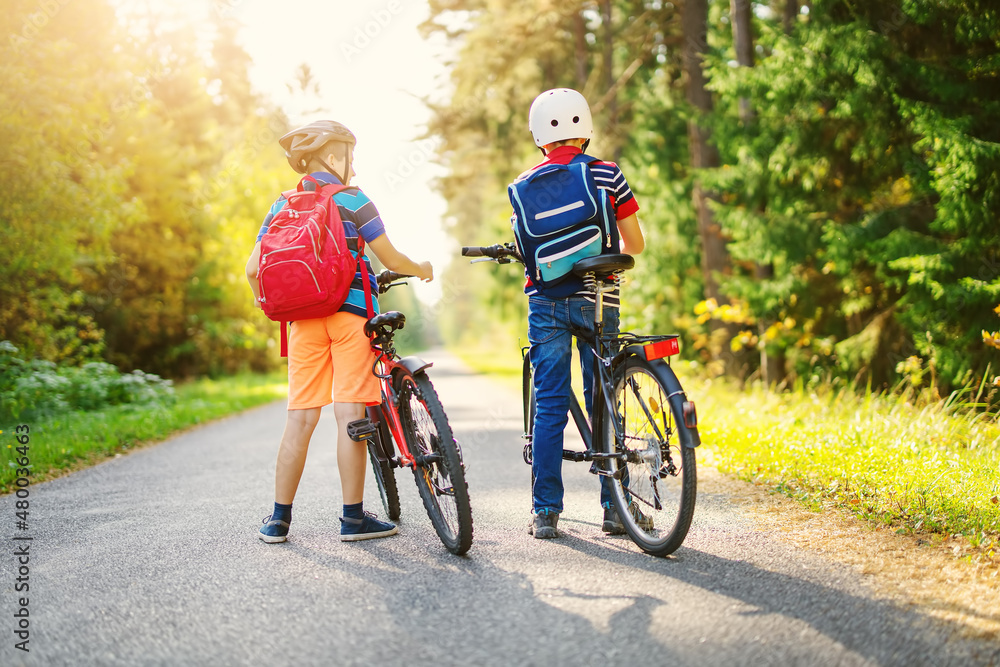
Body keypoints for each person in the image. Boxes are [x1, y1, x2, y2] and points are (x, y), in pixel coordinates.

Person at [245, 120, 433, 544]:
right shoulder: (353, 198)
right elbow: (390, 256)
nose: (353, 163)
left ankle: (278, 521)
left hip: (301, 323)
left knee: (300, 420)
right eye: (349, 154)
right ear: (333, 157)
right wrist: (421, 269)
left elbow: (253, 269)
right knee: (350, 415)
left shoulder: (280, 205)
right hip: (351, 317)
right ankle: (352, 519)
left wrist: (268, 305)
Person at [512, 89, 647, 539]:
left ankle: (546, 513)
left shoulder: (522, 186)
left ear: (538, 136)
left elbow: (525, 249)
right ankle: (615, 509)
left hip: (546, 300)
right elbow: (636, 243)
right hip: (600, 297)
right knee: (603, 396)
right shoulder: (607, 173)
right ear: (584, 129)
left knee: (549, 404)